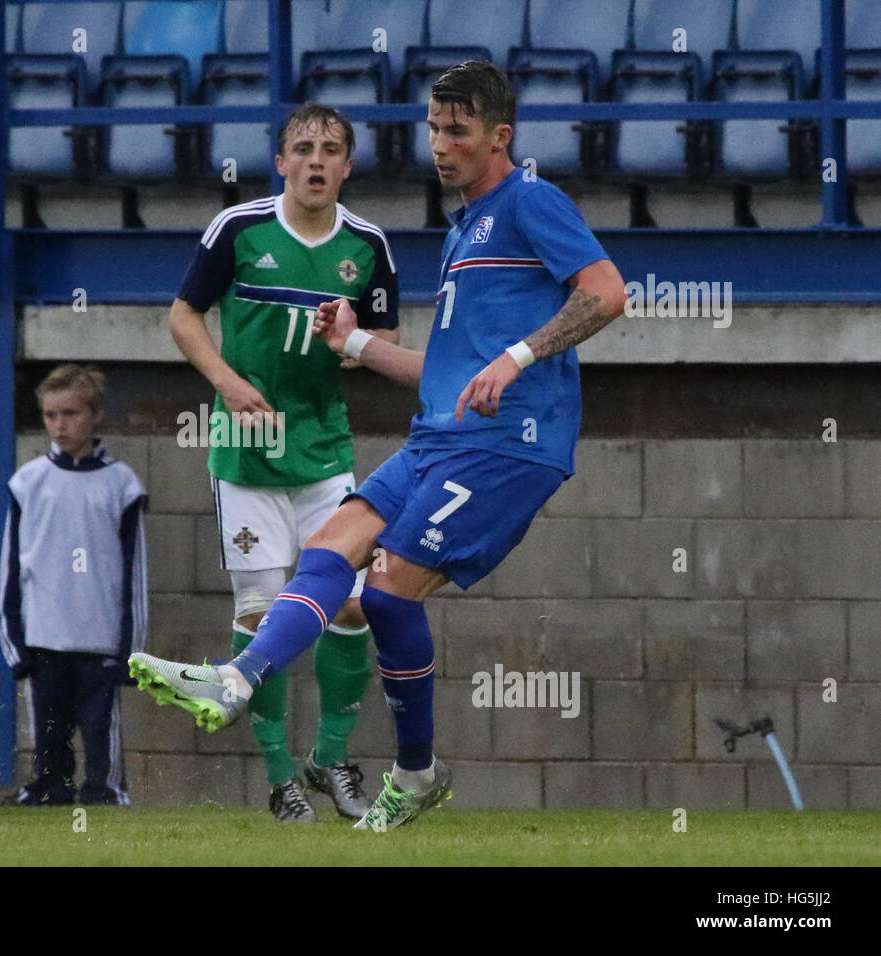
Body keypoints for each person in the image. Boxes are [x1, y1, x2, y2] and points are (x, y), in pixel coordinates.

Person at [129, 61, 627, 830]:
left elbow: (606, 291)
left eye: (456, 130)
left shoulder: (532, 201)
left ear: (502, 136)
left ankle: (385, 757)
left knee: (390, 591)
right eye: (432, 128)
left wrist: (518, 357)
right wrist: (353, 339)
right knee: (336, 551)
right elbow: (443, 375)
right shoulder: (466, 228)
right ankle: (254, 685)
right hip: (443, 436)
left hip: (508, 447)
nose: (439, 144)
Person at [168, 103, 400, 822]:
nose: (316, 160)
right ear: (281, 161)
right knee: (263, 617)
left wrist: (352, 337)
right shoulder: (237, 230)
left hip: (324, 453)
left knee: (356, 606)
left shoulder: (366, 246)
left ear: (348, 165)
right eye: (303, 147)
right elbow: (182, 315)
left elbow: (387, 340)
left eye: (331, 149)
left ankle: (330, 759)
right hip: (247, 461)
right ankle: (279, 777)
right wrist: (229, 385)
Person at [0, 365, 148, 807]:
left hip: (99, 642)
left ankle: (106, 793)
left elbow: (135, 576)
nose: (60, 425)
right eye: (50, 415)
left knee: (102, 746)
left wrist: (130, 653)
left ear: (96, 414)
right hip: (44, 638)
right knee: (49, 745)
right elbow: (10, 569)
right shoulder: (27, 483)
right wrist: (14, 644)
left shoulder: (122, 485)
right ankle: (47, 791)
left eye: (71, 413)